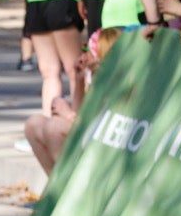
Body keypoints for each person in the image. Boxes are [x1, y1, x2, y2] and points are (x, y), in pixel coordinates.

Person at [26, 28, 121, 176]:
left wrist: (68, 115)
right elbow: (82, 113)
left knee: (54, 128)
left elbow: (99, 127)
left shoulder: (115, 82)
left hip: (107, 144)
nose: (83, 54)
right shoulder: (94, 77)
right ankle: (54, 187)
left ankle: (64, 187)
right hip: (91, 134)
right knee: (34, 123)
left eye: (87, 49)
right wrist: (79, 81)